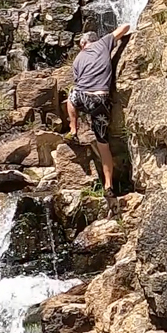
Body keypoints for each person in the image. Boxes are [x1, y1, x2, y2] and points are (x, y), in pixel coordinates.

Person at [64, 23, 131, 201]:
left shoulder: (78, 58)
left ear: (84, 43)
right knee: (103, 145)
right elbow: (125, 26)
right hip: (101, 99)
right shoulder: (104, 43)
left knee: (71, 95)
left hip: (82, 97)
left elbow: (77, 82)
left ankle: (73, 129)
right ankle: (109, 185)